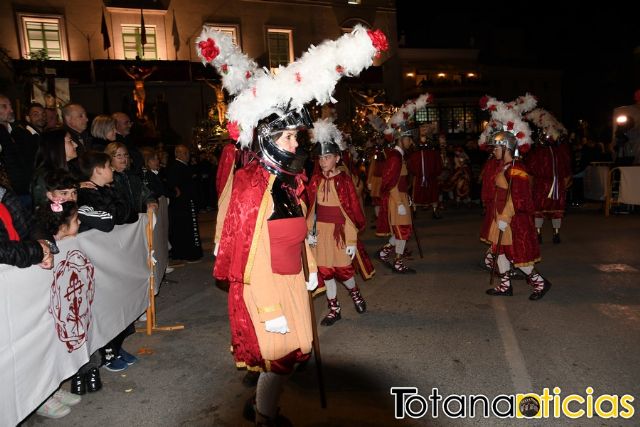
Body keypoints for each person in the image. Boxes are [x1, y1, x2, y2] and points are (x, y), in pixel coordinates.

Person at [214, 108, 318, 425]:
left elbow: (298, 233)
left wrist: (310, 268)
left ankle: (264, 403)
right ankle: (265, 415)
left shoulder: (285, 183)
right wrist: (270, 309)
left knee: (293, 356)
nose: (295, 144)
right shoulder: (252, 187)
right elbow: (252, 257)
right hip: (267, 287)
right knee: (280, 359)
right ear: (268, 140)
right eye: (288, 137)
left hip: (291, 280)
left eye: (295, 137)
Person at [305, 119, 373, 326]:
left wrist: (351, 240)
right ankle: (334, 308)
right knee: (326, 271)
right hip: (321, 233)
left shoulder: (344, 181)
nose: (323, 161)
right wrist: (310, 232)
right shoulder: (315, 180)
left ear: (337, 158)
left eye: (327, 157)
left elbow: (351, 211)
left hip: (340, 233)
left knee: (344, 269)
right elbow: (311, 209)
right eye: (321, 158)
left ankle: (355, 293)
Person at [524, 108, 572, 244]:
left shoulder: (539, 152)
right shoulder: (560, 151)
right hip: (555, 184)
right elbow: (567, 169)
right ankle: (554, 234)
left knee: (540, 209)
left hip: (543, 185)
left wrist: (530, 185)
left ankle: (540, 234)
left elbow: (531, 171)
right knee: (554, 209)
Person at [377, 126, 416, 274]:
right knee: (402, 231)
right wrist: (399, 203)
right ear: (401, 139)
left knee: (401, 230)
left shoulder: (399, 155)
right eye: (408, 139)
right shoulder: (395, 156)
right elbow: (391, 183)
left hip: (401, 197)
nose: (410, 142)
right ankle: (398, 262)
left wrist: (406, 197)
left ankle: (384, 251)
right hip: (396, 199)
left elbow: (401, 180)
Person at [167, 145, 202, 262]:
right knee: (186, 229)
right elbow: (175, 185)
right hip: (183, 204)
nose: (188, 155)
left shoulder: (182, 166)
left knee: (187, 229)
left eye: (188, 153)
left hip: (186, 203)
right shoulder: (177, 167)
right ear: (178, 154)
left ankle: (187, 252)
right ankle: (188, 253)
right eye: (185, 153)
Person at [406, 122, 443, 218]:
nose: (423, 129)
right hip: (418, 175)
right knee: (417, 192)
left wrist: (436, 170)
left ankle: (435, 211)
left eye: (425, 127)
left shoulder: (433, 142)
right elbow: (410, 158)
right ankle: (414, 211)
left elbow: (437, 158)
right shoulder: (414, 142)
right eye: (422, 127)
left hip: (431, 174)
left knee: (433, 192)